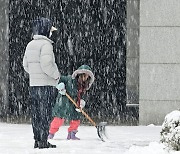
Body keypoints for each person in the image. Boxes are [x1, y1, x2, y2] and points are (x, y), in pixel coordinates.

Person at [23, 17, 60, 149]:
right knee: (45, 113)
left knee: (36, 114)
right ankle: (43, 140)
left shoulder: (30, 44)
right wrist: (56, 76)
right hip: (46, 85)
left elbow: (25, 65)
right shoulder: (46, 45)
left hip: (34, 85)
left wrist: (34, 74)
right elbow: (47, 65)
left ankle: (37, 139)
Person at [48, 65, 95, 140]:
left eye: (87, 76)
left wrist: (81, 103)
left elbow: (83, 96)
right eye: (84, 75)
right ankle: (50, 133)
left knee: (76, 119)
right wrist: (60, 86)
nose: (85, 78)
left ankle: (72, 134)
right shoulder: (69, 79)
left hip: (75, 104)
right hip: (64, 102)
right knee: (58, 119)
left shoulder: (84, 85)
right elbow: (58, 79)